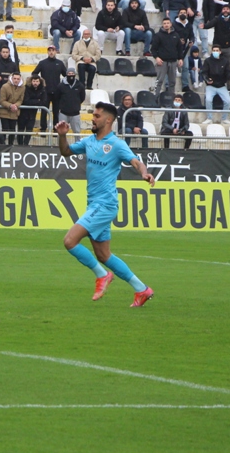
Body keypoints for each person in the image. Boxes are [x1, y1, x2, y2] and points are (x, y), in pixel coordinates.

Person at [55, 103, 155, 306]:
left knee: (69, 241)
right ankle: (141, 289)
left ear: (108, 120)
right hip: (94, 204)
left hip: (105, 205)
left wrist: (144, 173)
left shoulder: (116, 144)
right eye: (93, 114)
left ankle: (102, 276)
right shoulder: (90, 141)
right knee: (103, 254)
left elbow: (135, 161)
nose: (93, 118)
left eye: (97, 116)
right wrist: (62, 135)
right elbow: (66, 152)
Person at [152, 18, 183, 96]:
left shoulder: (176, 35)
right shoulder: (158, 35)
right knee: (159, 81)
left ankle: (171, 98)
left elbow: (179, 48)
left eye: (167, 23)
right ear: (162, 25)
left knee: (172, 82)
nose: (166, 25)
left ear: (171, 24)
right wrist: (156, 58)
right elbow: (153, 49)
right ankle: (156, 98)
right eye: (164, 23)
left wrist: (180, 59)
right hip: (162, 62)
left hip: (173, 61)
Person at [202, 44, 230, 122]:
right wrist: (207, 80)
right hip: (211, 86)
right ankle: (209, 118)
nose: (215, 52)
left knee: (228, 101)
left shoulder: (225, 61)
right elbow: (204, 73)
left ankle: (224, 118)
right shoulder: (207, 61)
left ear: (220, 52)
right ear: (212, 51)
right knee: (208, 100)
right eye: (214, 50)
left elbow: (228, 72)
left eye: (217, 51)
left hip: (222, 86)